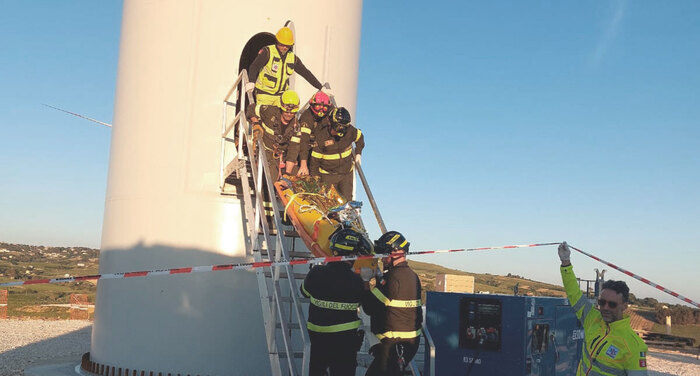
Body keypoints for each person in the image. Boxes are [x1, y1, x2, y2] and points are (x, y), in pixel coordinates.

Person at [558, 242, 649, 375]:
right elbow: (574, 293)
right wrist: (565, 262)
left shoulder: (633, 346)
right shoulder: (592, 318)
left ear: (624, 306)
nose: (605, 308)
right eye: (602, 302)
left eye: (612, 304)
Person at [300, 228, 373, 376]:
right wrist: (367, 281)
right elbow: (367, 305)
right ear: (353, 255)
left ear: (334, 250)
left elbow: (304, 292)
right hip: (345, 343)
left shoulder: (316, 273)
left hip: (317, 340)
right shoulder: (357, 282)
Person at [362, 231, 422, 376]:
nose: (382, 260)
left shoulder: (391, 279)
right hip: (409, 343)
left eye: (384, 255)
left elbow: (369, 307)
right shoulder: (413, 276)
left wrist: (365, 282)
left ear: (394, 253)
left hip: (394, 345)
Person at [246, 26, 328, 106]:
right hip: (264, 95)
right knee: (263, 118)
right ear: (277, 41)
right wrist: (251, 81)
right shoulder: (268, 52)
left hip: (280, 97)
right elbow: (254, 66)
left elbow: (306, 73)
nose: (285, 47)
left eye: (287, 45)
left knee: (277, 119)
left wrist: (321, 87)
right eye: (282, 44)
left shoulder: (292, 58)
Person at [307, 107, 364, 202]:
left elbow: (360, 137)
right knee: (329, 205)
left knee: (347, 204)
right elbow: (314, 163)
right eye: (337, 128)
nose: (338, 133)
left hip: (346, 175)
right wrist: (317, 183)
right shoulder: (321, 137)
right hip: (328, 177)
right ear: (330, 123)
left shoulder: (350, 131)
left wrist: (358, 154)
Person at [293, 91, 334, 176]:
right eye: (318, 106)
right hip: (309, 148)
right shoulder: (306, 117)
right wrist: (303, 164)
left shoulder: (331, 115)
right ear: (312, 105)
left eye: (325, 107)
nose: (321, 110)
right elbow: (304, 140)